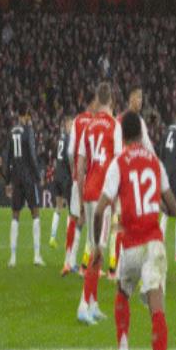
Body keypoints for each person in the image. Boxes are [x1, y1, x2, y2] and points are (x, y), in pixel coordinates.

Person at [92, 111, 176, 350]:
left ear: (123, 135)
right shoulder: (155, 162)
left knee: (122, 292)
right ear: (141, 134)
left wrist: (97, 246)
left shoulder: (118, 164)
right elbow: (173, 207)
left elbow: (100, 210)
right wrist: (159, 205)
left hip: (129, 246)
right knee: (157, 307)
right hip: (153, 243)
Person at [77, 82, 122, 325]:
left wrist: (81, 198)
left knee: (96, 248)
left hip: (88, 192)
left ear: (98, 99)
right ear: (111, 101)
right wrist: (116, 199)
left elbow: (80, 166)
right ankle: (83, 304)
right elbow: (118, 164)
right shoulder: (114, 126)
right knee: (98, 252)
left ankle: (93, 304)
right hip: (104, 195)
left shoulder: (88, 125)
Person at [107, 86, 155, 280]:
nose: (140, 101)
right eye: (137, 97)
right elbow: (120, 152)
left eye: (142, 97)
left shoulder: (125, 121)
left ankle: (118, 266)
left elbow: (147, 147)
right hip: (128, 178)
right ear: (130, 99)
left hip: (130, 178)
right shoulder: (126, 122)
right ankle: (119, 267)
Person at [5, 103, 44, 267]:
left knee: (15, 215)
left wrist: (7, 181)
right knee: (35, 213)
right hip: (28, 177)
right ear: (26, 115)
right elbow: (33, 156)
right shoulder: (28, 131)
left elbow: (7, 158)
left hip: (16, 178)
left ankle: (13, 258)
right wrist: (38, 175)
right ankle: (36, 256)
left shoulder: (11, 131)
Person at [65, 93, 96, 277]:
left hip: (78, 177)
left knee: (76, 218)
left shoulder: (77, 121)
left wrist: (74, 171)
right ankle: (84, 263)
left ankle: (70, 260)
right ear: (93, 103)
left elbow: (70, 152)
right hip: (91, 177)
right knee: (88, 220)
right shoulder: (94, 123)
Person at [159, 108, 176, 265]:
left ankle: (159, 246)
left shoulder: (166, 131)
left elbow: (161, 154)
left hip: (165, 174)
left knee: (164, 212)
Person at [49, 115, 73, 260]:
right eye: (71, 124)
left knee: (58, 207)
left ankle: (52, 237)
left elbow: (56, 156)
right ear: (67, 125)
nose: (73, 127)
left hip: (57, 175)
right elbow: (70, 158)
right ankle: (68, 241)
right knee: (71, 210)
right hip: (65, 178)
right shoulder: (69, 139)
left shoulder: (60, 139)